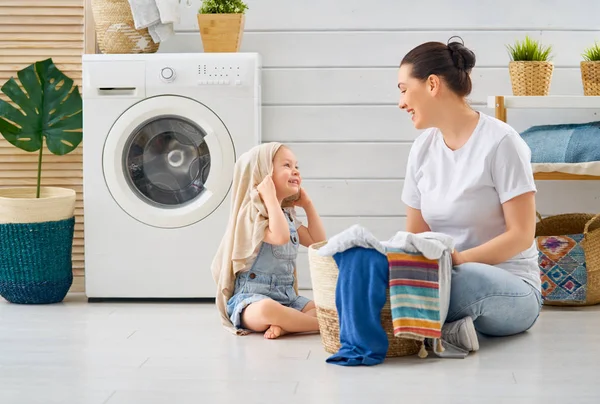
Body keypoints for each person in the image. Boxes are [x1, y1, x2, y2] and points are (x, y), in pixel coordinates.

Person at [397, 37, 542, 353]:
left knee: (461, 281)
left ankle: (414, 324)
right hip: (447, 276)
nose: (401, 102)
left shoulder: (502, 143)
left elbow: (521, 235)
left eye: (404, 89)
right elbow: (416, 236)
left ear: (432, 84)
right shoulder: (421, 150)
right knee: (380, 273)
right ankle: (449, 328)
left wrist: (455, 262)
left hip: (512, 288)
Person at [211, 142, 326, 339]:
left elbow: (318, 242)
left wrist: (308, 204)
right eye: (287, 166)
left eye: (296, 166)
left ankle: (287, 324)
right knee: (266, 309)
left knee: (328, 306)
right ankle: (324, 326)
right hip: (251, 300)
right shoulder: (252, 214)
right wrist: (270, 198)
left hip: (287, 298)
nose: (295, 171)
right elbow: (280, 237)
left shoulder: (286, 215)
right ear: (264, 174)